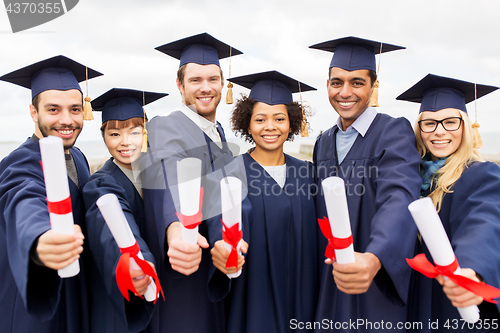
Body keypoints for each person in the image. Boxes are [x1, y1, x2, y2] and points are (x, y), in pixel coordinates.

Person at [309, 37, 421, 331]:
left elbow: (399, 196)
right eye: (336, 83)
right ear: (328, 85)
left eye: (357, 82)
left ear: (374, 86)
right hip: (331, 277)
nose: (345, 92)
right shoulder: (323, 141)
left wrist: (375, 257)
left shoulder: (392, 131)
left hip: (371, 279)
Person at [140, 33, 244, 333]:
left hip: (219, 265)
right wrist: (175, 228)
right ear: (180, 85)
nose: (206, 88)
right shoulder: (167, 125)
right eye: (196, 80)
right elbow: (169, 171)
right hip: (185, 276)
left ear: (223, 83)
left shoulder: (219, 133)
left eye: (213, 79)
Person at [208, 70, 320, 332]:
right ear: (247, 124)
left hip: (304, 296)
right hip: (253, 299)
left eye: (279, 119)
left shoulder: (308, 173)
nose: (270, 127)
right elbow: (217, 222)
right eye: (260, 119)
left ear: (291, 124)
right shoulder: (228, 172)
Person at [0, 55, 102, 333]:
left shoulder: (78, 156)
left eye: (75, 109)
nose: (67, 120)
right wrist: (40, 238)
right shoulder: (20, 162)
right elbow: (24, 199)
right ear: (34, 112)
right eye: (54, 109)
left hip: (75, 292)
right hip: (37, 304)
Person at [397, 74, 500, 332]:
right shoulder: (408, 176)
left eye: (450, 122)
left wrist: (472, 269)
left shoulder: (480, 174)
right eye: (429, 123)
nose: (439, 131)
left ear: (465, 127)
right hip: (409, 298)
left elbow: (486, 222)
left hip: (453, 298)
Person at [82, 88, 168, 332]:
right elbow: (110, 224)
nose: (125, 142)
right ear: (104, 137)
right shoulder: (100, 183)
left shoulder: (161, 172)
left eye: (134, 131)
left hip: (163, 291)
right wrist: (137, 260)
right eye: (114, 133)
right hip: (124, 292)